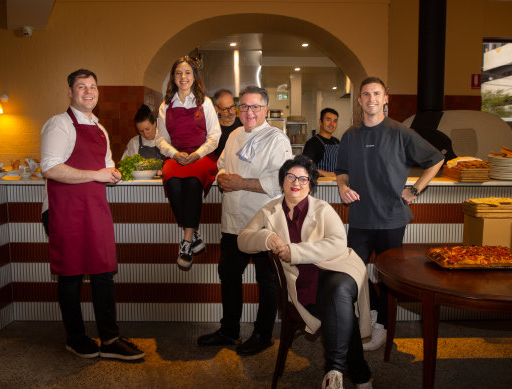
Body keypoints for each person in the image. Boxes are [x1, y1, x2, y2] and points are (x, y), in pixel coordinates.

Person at [237, 155, 373, 389]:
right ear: (282, 181)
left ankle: (334, 374)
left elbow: (338, 243)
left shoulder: (322, 208)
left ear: (310, 184)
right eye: (291, 176)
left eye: (303, 178)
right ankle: (358, 374)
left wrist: (295, 252)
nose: (296, 182)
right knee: (340, 310)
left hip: (339, 267)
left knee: (338, 289)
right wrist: (267, 237)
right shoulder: (269, 211)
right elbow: (243, 240)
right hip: (304, 283)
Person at [40, 68, 144, 361]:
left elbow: (107, 164)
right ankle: (75, 338)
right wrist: (97, 173)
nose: (88, 92)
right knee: (70, 276)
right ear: (70, 92)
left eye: (93, 87)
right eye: (82, 87)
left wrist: (112, 172)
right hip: (64, 211)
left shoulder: (100, 128)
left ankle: (110, 339)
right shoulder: (59, 124)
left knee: (103, 274)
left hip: (94, 209)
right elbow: (50, 168)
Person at [335, 76, 444, 352]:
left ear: (386, 99)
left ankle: (382, 326)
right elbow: (341, 171)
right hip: (360, 218)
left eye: (376, 94)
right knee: (352, 272)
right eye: (366, 94)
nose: (371, 99)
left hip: (391, 219)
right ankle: (370, 313)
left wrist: (415, 189)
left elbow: (437, 159)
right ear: (359, 101)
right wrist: (342, 186)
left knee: (388, 277)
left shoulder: (400, 132)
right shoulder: (350, 135)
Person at [197, 86, 293, 356]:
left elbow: (280, 182)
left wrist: (241, 183)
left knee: (267, 279)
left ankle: (263, 334)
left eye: (256, 107)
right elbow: (222, 165)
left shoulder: (277, 139)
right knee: (228, 275)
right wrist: (223, 177)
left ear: (265, 109)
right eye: (245, 107)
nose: (249, 112)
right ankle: (229, 330)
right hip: (232, 221)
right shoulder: (235, 134)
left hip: (263, 222)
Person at [155, 56, 221, 271]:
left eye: (187, 73)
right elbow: (160, 139)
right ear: (173, 78)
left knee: (193, 184)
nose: (183, 77)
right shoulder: (166, 105)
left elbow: (215, 136)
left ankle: (186, 241)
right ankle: (194, 233)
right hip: (176, 156)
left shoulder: (206, 103)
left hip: (201, 156)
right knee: (173, 186)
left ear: (194, 76)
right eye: (178, 73)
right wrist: (174, 154)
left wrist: (197, 154)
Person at [303, 108, 340, 177]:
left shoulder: (337, 142)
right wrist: (330, 174)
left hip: (336, 185)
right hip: (320, 185)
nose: (332, 124)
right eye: (328, 120)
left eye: (335, 121)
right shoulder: (312, 143)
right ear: (320, 122)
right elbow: (306, 167)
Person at [212, 89, 242, 158]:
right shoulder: (214, 130)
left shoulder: (243, 124)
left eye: (232, 106)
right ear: (217, 109)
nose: (231, 111)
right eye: (225, 109)